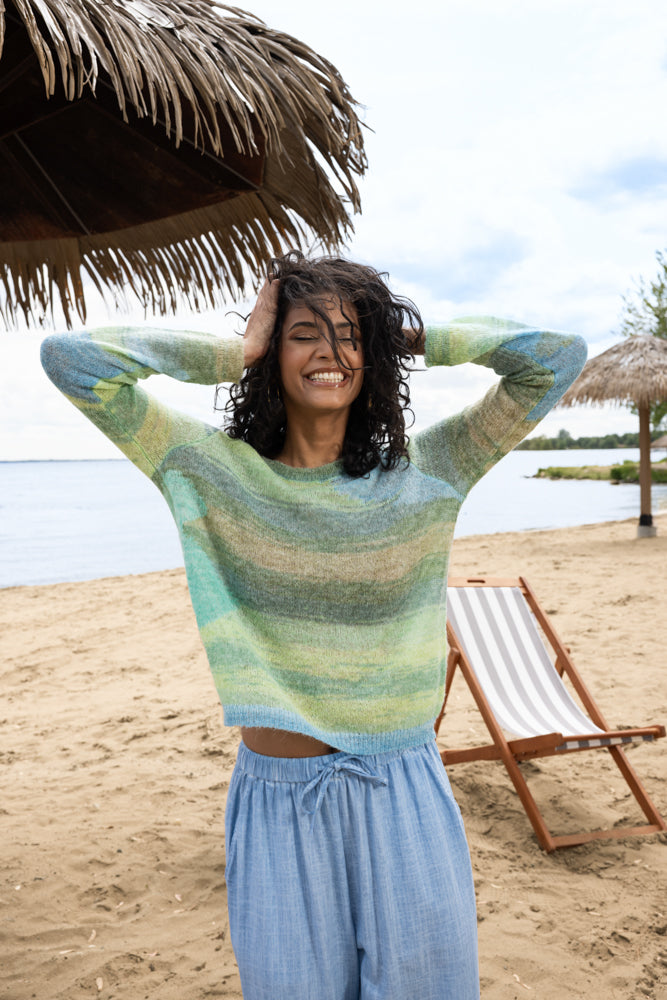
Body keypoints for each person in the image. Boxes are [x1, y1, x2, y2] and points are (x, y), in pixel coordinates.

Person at [41, 251, 587, 1000]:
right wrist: (238, 348)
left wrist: (408, 333)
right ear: (273, 352)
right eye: (305, 333)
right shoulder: (210, 470)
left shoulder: (429, 469)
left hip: (402, 791)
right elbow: (72, 361)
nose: (330, 352)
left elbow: (554, 360)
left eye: (348, 334)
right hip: (278, 800)